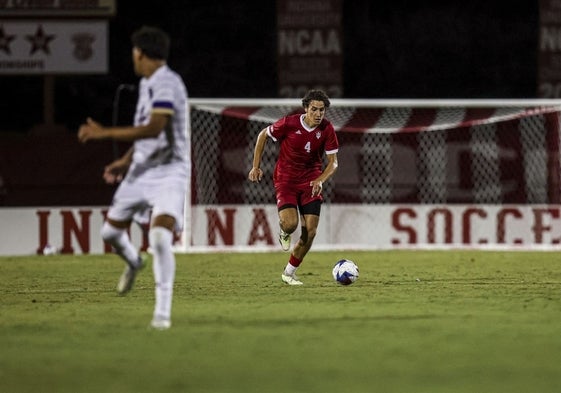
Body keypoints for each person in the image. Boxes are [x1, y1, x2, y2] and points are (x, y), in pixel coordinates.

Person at [78, 26, 190, 329]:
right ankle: (134, 262)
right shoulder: (147, 83)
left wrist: (104, 133)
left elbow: (155, 127)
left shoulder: (167, 83)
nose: (133, 58)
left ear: (141, 53)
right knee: (110, 234)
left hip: (169, 171)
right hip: (141, 170)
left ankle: (162, 315)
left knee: (159, 236)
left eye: (134, 53)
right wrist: (125, 161)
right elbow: (147, 134)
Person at [248, 90, 339, 285]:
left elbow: (333, 163)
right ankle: (284, 232)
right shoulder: (289, 123)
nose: (318, 113)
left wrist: (320, 180)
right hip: (286, 181)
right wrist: (256, 166)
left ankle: (288, 273)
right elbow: (263, 135)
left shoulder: (327, 129)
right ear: (306, 108)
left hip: (311, 182)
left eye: (321, 110)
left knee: (310, 232)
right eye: (314, 109)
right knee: (291, 225)